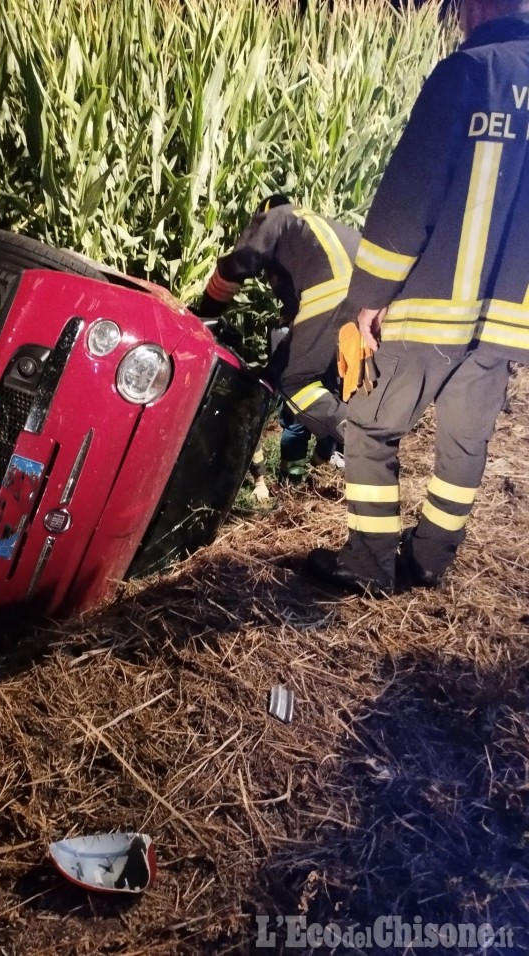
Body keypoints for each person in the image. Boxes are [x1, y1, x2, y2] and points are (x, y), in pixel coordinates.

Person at [305, 0, 529, 596]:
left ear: (481, 7)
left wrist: (368, 298)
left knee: (369, 429)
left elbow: (408, 199)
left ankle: (370, 564)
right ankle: (429, 560)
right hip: (507, 322)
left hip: (432, 309)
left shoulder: (470, 72)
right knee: (464, 444)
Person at [192, 195, 360, 498]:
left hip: (333, 291)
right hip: (370, 296)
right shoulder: (313, 228)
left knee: (294, 382)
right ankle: (347, 444)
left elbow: (241, 261)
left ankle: (362, 440)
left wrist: (206, 317)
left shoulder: (278, 216)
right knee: (301, 377)